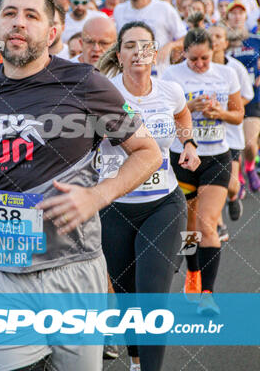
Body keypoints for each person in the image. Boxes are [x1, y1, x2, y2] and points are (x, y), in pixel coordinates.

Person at [0, 0, 162, 371]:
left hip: (72, 268)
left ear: (51, 33)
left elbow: (147, 152)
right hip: (1, 270)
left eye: (31, 15)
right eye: (9, 13)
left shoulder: (85, 83)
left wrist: (98, 196)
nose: (18, 23)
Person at [98, 21, 199, 371]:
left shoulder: (170, 90)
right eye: (130, 45)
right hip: (116, 208)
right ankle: (137, 360)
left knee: (152, 295)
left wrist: (188, 143)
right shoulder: (104, 94)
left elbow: (182, 113)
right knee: (126, 295)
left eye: (145, 45)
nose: (138, 51)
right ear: (120, 55)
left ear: (154, 54)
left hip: (163, 203)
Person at [162, 28, 244, 314]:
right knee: (189, 228)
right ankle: (192, 271)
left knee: (207, 224)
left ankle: (207, 294)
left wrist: (219, 113)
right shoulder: (172, 76)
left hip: (215, 156)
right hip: (183, 157)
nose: (199, 64)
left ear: (213, 53)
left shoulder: (226, 73)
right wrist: (187, 108)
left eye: (205, 59)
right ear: (185, 53)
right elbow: (162, 116)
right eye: (194, 59)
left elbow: (238, 116)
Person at [208, 24, 253, 240]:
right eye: (211, 37)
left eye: (219, 37)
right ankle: (218, 225)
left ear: (226, 42)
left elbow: (247, 95)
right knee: (206, 188)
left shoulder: (235, 69)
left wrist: (225, 111)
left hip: (230, 134)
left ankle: (234, 197)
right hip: (203, 138)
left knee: (231, 185)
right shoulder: (194, 69)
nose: (214, 40)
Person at [113, 0, 186, 64]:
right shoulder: (119, 10)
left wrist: (170, 46)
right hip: (128, 72)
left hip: (158, 72)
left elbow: (184, 38)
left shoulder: (164, 8)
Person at [226, 1, 260, 193]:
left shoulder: (255, 40)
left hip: (253, 98)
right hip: (230, 101)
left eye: (241, 13)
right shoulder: (222, 43)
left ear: (246, 17)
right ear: (227, 17)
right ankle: (238, 178)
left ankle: (250, 167)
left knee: (249, 143)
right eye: (233, 13)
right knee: (233, 145)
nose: (237, 16)